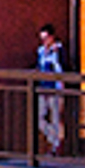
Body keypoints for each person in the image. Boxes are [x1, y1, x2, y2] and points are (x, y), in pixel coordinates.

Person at [35, 22, 68, 155]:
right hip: (43, 88)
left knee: (56, 118)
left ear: (52, 37)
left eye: (46, 38)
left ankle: (56, 146)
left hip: (55, 88)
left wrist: (55, 55)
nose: (44, 41)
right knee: (39, 118)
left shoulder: (59, 50)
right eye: (42, 38)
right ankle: (53, 138)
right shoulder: (41, 51)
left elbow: (62, 68)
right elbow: (39, 67)